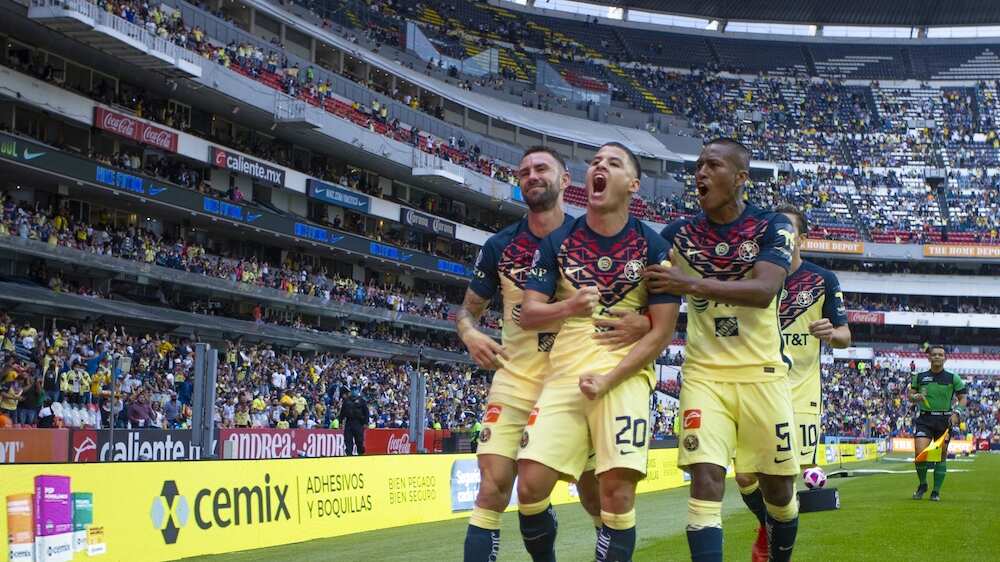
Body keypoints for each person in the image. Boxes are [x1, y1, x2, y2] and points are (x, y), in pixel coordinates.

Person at [460, 146, 638, 561]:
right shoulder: (499, 246)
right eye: (523, 171)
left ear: (565, 181)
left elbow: (634, 310)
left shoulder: (591, 240)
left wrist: (642, 324)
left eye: (542, 168)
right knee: (493, 489)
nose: (531, 175)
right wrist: (470, 334)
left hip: (575, 382)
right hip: (516, 380)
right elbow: (467, 312)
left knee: (596, 497)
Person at [516, 142, 680, 562]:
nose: (599, 168)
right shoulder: (557, 242)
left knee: (616, 491)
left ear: (633, 185)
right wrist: (568, 307)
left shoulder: (653, 248)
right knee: (531, 485)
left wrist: (609, 377)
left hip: (622, 378)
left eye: (612, 163)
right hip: (565, 376)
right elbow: (528, 313)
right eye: (594, 163)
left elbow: (662, 332)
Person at [644, 138, 800, 562]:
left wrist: (690, 284)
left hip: (762, 373)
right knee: (706, 476)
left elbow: (765, 289)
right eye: (698, 166)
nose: (701, 174)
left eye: (712, 165)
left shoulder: (773, 227)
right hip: (703, 375)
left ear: (741, 178)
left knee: (778, 490)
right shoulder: (677, 236)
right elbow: (649, 294)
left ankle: (774, 542)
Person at [734, 204, 852, 561]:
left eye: (789, 230)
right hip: (755, 387)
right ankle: (770, 529)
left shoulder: (823, 280)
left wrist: (832, 333)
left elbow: (846, 335)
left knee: (782, 477)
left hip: (800, 393)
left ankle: (771, 542)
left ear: (801, 238)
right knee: (743, 476)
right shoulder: (754, 276)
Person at [910, 345, 967, 501]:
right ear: (929, 358)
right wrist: (916, 398)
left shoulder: (952, 378)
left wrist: (957, 413)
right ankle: (923, 484)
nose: (937, 357)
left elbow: (963, 398)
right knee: (920, 453)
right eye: (934, 354)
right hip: (925, 419)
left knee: (940, 455)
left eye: (940, 355)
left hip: (944, 420)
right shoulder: (920, 377)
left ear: (945, 358)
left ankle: (935, 491)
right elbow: (911, 395)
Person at [340, 388, 369, 456]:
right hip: (349, 422)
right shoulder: (346, 401)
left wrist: (366, 423)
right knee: (348, 440)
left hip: (358, 423)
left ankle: (361, 453)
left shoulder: (362, 401)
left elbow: (366, 412)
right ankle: (349, 454)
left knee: (359, 440)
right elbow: (342, 412)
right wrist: (340, 422)